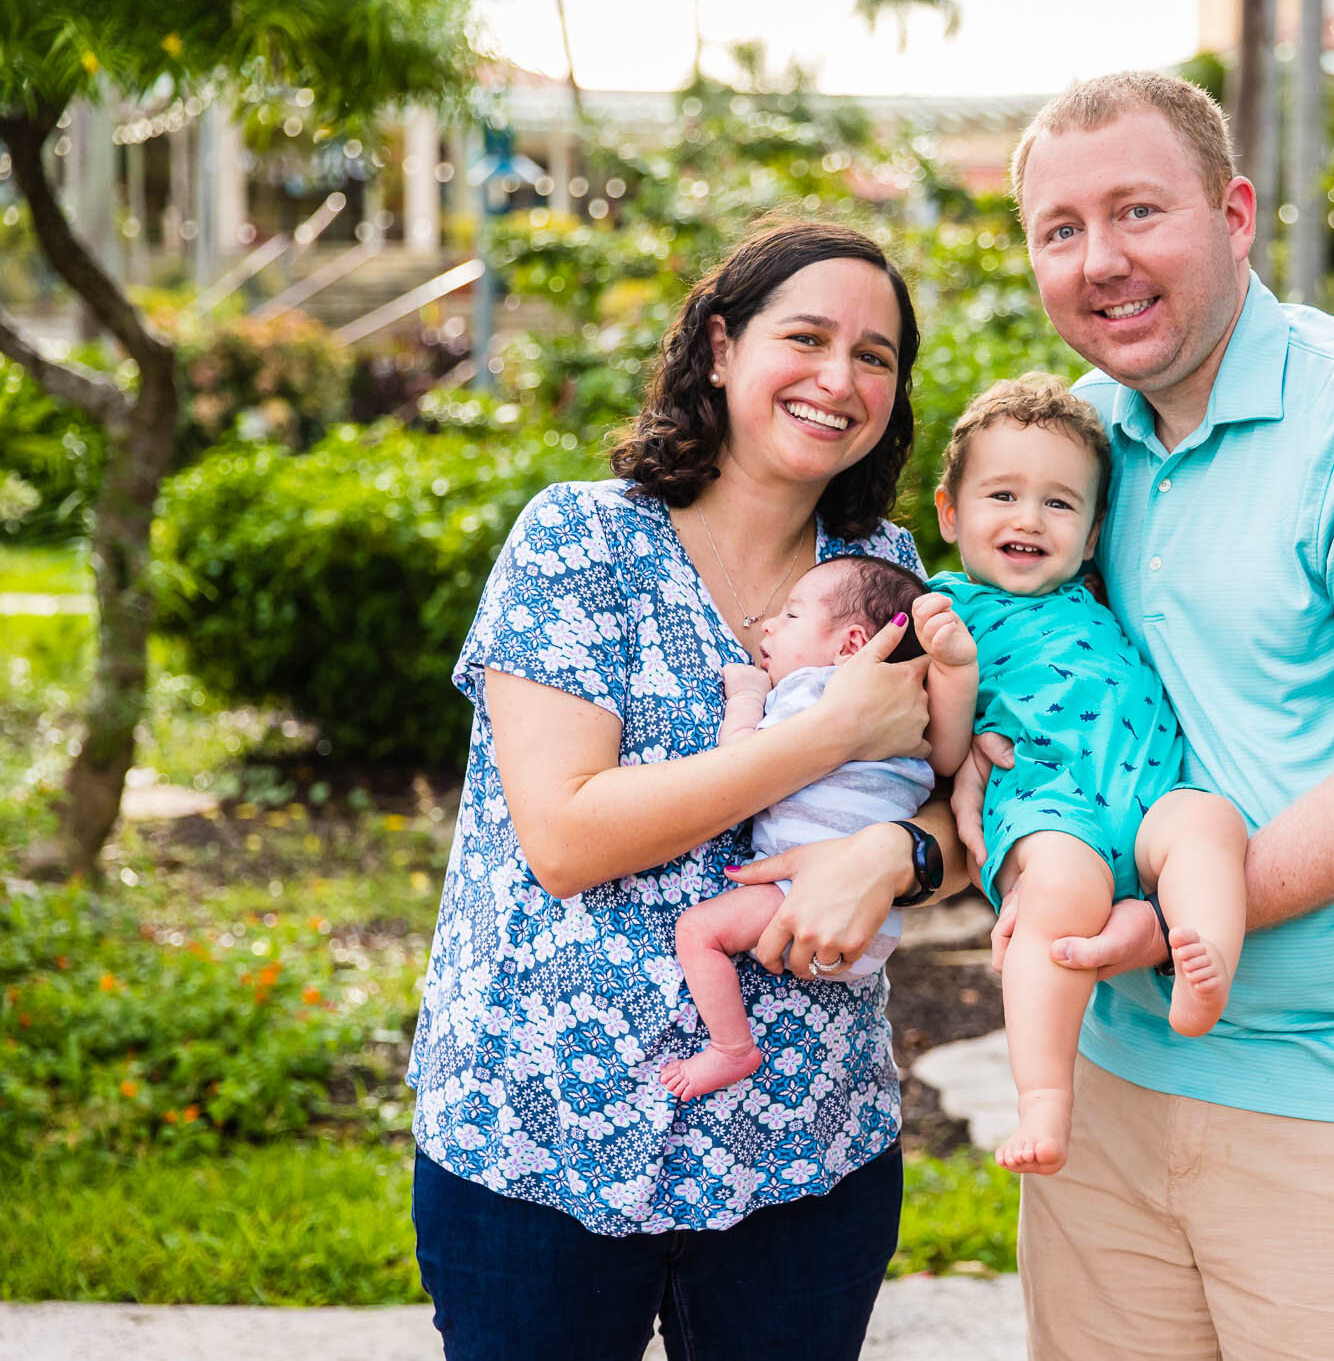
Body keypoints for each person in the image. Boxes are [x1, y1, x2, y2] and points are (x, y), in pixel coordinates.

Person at [956, 73, 1334, 1359]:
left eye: (1135, 212)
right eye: (1059, 229)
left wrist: (1170, 920)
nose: (1099, 260)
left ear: (1233, 214)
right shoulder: (1085, 456)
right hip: (1114, 1093)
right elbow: (1047, 695)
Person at [407, 220, 968, 1361]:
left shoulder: (887, 575)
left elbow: (966, 814)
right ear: (719, 347)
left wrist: (900, 855)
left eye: (874, 355)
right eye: (804, 337)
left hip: (804, 1144)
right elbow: (564, 837)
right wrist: (826, 739)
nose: (838, 378)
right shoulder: (577, 541)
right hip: (542, 1137)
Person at [912, 373, 1247, 1175]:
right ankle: (1042, 1101)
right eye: (1002, 495)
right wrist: (953, 670)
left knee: (1211, 825)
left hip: (1151, 794)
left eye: (1059, 504)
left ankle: (1202, 961)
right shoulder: (945, 608)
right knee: (1055, 900)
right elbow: (945, 754)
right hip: (1048, 805)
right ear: (950, 511)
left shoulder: (1093, 590)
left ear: (1094, 533)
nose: (1029, 518)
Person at [660, 554, 933, 1101]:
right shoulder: (907, 707)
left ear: (851, 646)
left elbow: (742, 761)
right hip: (871, 912)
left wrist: (745, 696)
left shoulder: (813, 692)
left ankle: (731, 1048)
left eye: (791, 615)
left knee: (697, 932)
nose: (769, 626)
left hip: (805, 897)